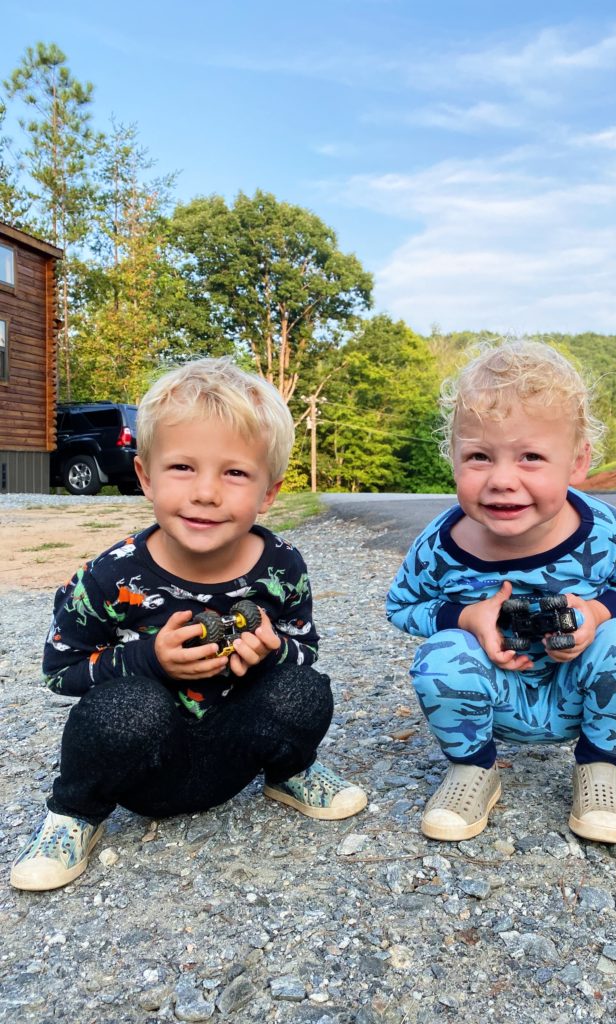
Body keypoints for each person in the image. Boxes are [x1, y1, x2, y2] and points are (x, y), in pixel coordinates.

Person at [11, 357, 366, 891]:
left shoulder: (282, 565)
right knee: (125, 707)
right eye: (183, 467)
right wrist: (148, 659)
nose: (206, 492)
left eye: (235, 472)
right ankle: (75, 813)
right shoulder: (110, 575)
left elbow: (305, 647)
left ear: (269, 492)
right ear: (145, 477)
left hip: (236, 756)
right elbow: (59, 671)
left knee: (303, 689)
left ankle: (288, 773)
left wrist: (273, 654)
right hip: (146, 766)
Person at [386, 340, 616, 845]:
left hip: (577, 693)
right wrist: (466, 618)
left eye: (531, 457)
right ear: (452, 459)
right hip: (494, 700)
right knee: (441, 655)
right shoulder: (440, 544)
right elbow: (402, 605)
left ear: (577, 462)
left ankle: (601, 768)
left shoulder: (612, 531)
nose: (502, 480)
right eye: (479, 456)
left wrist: (597, 612)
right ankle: (473, 768)